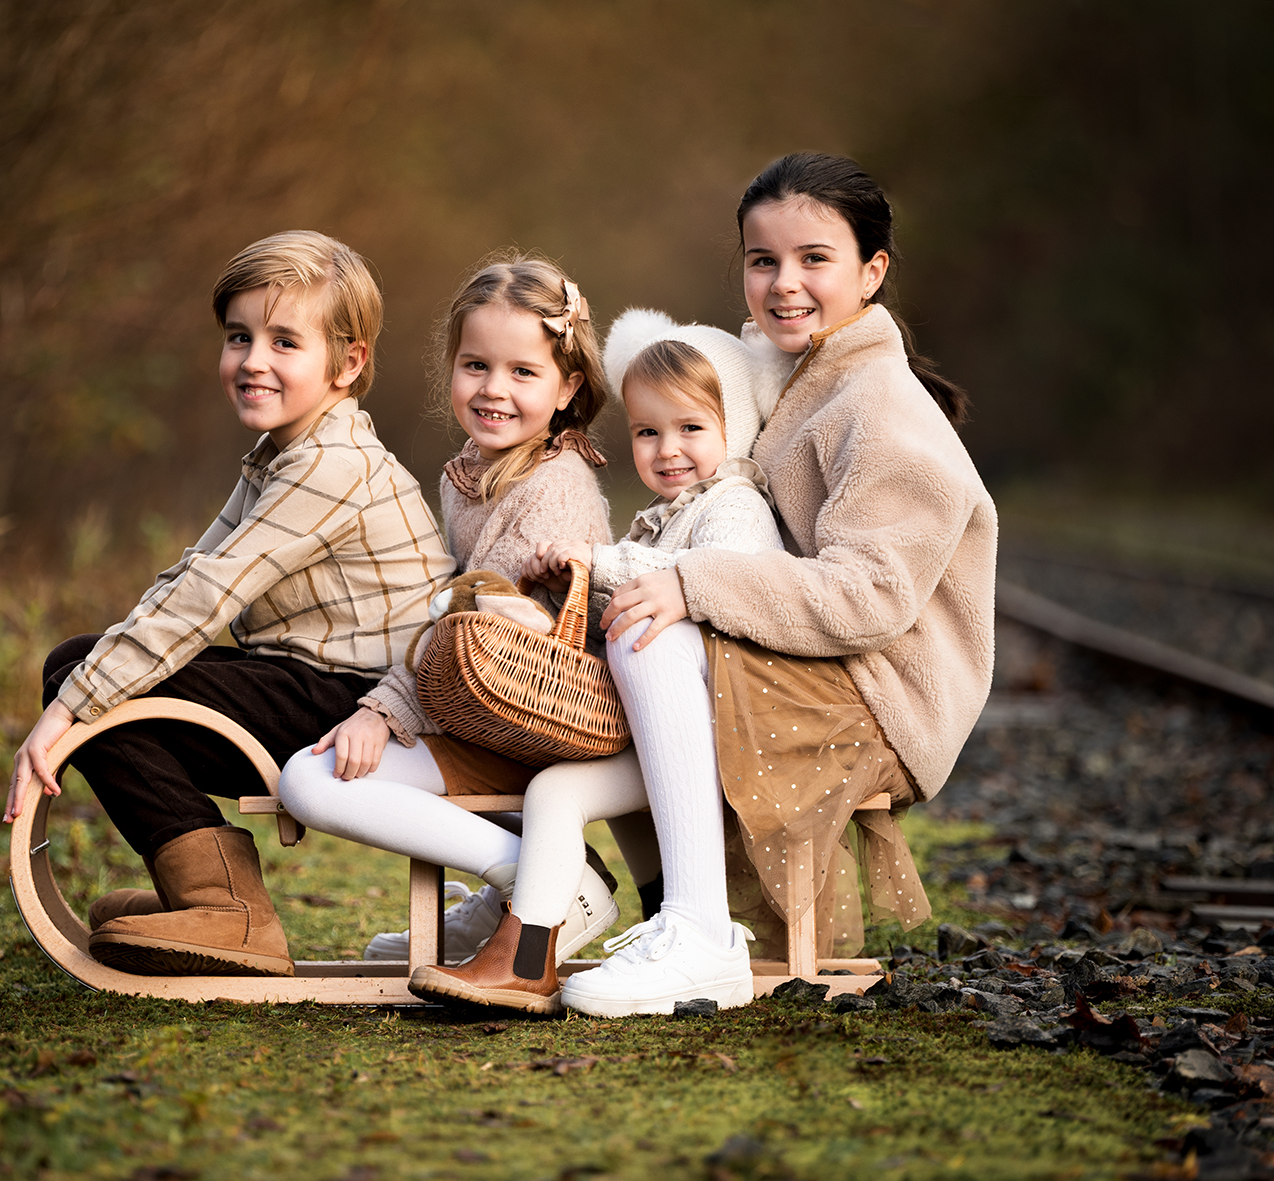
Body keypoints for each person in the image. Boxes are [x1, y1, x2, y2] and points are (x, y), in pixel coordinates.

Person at [560, 151, 997, 1018]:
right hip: (824, 661)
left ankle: (696, 929)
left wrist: (693, 582)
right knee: (619, 634)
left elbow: (870, 597)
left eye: (814, 259)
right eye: (763, 260)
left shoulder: (881, 406)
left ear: (871, 272)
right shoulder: (788, 374)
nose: (784, 283)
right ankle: (612, 904)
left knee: (653, 625)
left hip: (882, 693)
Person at [3, 231, 456, 978]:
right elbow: (189, 575)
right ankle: (209, 892)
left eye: (285, 341)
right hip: (310, 685)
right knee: (86, 672)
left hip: (364, 708)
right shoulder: (284, 452)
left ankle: (229, 906)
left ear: (348, 362)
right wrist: (87, 685)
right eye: (239, 337)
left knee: (82, 677)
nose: (253, 360)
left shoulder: (332, 464)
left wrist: (69, 706)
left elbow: (210, 597)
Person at [278, 254, 659, 986]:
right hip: (483, 711)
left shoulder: (552, 483)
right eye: (475, 364)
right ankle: (515, 890)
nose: (493, 390)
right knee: (317, 770)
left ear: (568, 385)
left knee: (310, 779)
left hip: (531, 720)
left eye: (523, 372)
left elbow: (476, 630)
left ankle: (539, 884)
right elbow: (443, 613)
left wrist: (383, 709)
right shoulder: (472, 473)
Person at [405, 309, 786, 1013]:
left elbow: (720, 573)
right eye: (647, 432)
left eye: (690, 428)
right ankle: (616, 935)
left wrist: (601, 563)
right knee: (556, 788)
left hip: (707, 725)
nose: (666, 449)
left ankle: (555, 951)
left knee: (559, 791)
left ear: (734, 427)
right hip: (664, 724)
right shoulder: (663, 512)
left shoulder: (734, 504)